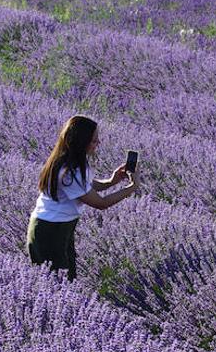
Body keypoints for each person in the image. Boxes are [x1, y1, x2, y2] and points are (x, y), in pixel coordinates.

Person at [27, 115, 138, 281]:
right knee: (59, 284)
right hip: (50, 231)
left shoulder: (69, 161)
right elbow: (101, 203)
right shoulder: (71, 172)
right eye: (94, 140)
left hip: (58, 227)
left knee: (66, 280)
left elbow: (87, 187)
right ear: (81, 142)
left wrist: (111, 181)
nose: (98, 143)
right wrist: (132, 187)